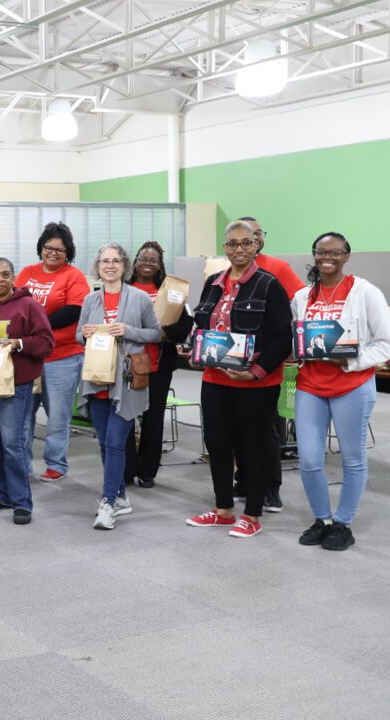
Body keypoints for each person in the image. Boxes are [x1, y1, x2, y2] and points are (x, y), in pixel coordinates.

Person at [186, 220, 291, 539]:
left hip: (255, 383)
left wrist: (256, 371)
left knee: (253, 447)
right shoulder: (213, 283)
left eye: (246, 242)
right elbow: (202, 326)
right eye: (233, 243)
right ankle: (223, 510)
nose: (239, 249)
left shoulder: (269, 285)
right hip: (215, 380)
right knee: (217, 444)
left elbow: (282, 337)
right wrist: (195, 350)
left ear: (256, 245)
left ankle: (253, 514)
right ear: (225, 248)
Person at [291, 232, 390, 551]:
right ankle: (322, 519)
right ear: (314, 254)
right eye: (321, 251)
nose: (327, 257)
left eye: (335, 252)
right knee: (309, 458)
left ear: (347, 256)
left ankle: (342, 524)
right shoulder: (302, 296)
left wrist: (349, 360)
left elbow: (386, 344)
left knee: (352, 457)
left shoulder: (365, 292)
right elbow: (298, 339)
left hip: (352, 385)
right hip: (310, 386)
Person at [75, 244, 161, 530]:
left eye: (115, 261)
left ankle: (108, 502)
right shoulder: (91, 300)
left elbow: (155, 333)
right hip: (97, 378)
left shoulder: (140, 298)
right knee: (104, 442)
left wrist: (127, 330)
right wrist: (86, 333)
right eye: (104, 261)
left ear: (124, 266)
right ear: (97, 267)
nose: (109, 265)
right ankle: (121, 496)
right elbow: (78, 335)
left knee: (114, 442)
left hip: (127, 382)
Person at [0, 258, 54, 525]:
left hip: (17, 384)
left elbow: (46, 342)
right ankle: (3, 494)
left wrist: (19, 343)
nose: (0, 279)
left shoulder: (28, 306)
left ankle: (22, 501)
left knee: (12, 443)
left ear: (13, 277)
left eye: (5, 274)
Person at [236, 216, 306, 512]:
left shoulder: (278, 268)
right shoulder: (228, 271)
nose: (252, 239)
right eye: (243, 236)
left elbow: (302, 303)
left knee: (267, 428)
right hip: (233, 362)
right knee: (237, 426)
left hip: (267, 363)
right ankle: (244, 480)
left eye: (256, 234)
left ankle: (271, 489)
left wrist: (292, 345)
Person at [16, 222, 90, 481]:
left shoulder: (74, 276)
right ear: (41, 248)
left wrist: (38, 325)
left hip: (62, 357)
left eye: (60, 250)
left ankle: (56, 464)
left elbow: (75, 310)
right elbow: (15, 305)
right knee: (23, 415)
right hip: (27, 357)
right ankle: (21, 465)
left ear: (68, 252)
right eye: (49, 247)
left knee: (58, 415)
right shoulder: (27, 272)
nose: (53, 253)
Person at [124, 241, 194, 488]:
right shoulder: (123, 287)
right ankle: (125, 470)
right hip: (127, 365)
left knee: (153, 419)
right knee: (125, 417)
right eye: (143, 259)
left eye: (153, 260)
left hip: (159, 365)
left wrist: (163, 334)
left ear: (160, 265)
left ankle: (147, 471)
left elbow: (185, 325)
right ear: (135, 262)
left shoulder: (171, 291)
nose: (147, 263)